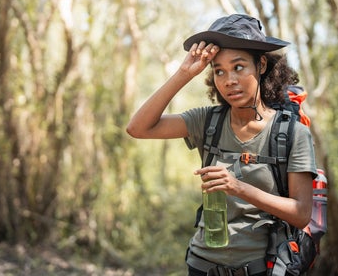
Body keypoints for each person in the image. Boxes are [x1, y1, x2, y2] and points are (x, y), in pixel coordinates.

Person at [126, 14, 317, 276]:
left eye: (238, 67)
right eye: (219, 70)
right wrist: (184, 74)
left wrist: (238, 187)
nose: (229, 80)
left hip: (262, 268)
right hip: (201, 265)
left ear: (260, 65)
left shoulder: (292, 133)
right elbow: (137, 128)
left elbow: (301, 213)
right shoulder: (207, 121)